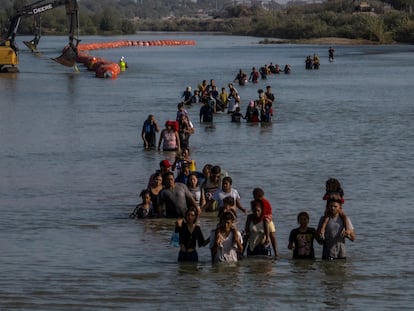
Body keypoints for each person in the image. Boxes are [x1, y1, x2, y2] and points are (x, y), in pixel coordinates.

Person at [317, 194, 355, 260]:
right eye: (331, 206)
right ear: (328, 206)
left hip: (341, 255)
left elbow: (353, 238)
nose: (332, 208)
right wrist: (320, 236)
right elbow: (319, 241)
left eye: (335, 206)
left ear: (340, 207)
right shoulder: (323, 219)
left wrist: (347, 235)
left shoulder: (346, 219)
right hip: (327, 255)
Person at [252, 188, 278, 257]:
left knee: (265, 221)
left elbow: (264, 212)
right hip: (262, 215)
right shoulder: (254, 202)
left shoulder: (264, 202)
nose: (255, 198)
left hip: (267, 215)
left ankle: (267, 237)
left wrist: (261, 219)